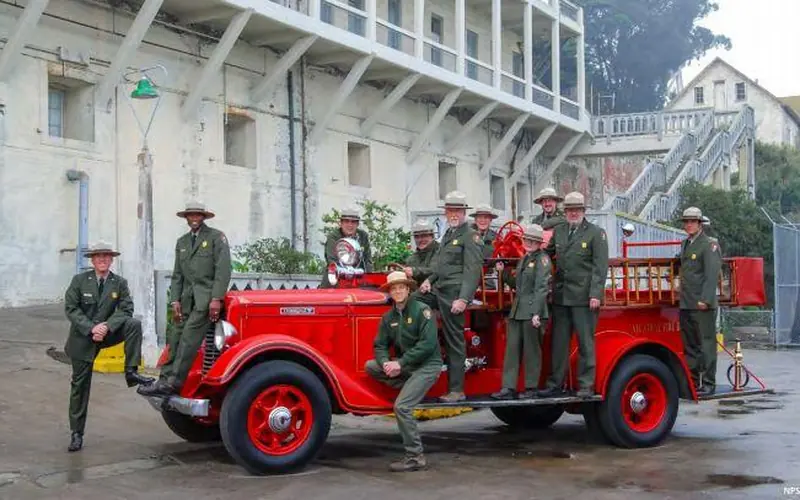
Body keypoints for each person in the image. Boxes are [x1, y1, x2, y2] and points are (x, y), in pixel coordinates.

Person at [63, 242, 154, 452]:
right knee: (80, 385)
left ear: (111, 260)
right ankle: (76, 433)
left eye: (106, 256)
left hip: (108, 333)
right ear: (92, 260)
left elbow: (127, 308)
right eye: (98, 257)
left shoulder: (119, 282)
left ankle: (131, 371)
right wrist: (91, 328)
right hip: (83, 337)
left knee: (133, 324)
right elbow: (71, 308)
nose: (102, 260)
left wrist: (107, 326)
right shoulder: (79, 281)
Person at [139, 202, 231, 397]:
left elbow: (223, 270)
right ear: (186, 218)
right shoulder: (182, 242)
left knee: (189, 339)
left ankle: (174, 383)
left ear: (204, 217)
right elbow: (178, 275)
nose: (194, 218)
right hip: (186, 299)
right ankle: (163, 379)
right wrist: (175, 300)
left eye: (198, 215)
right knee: (175, 337)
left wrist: (216, 298)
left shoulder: (216, 237)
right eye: (191, 216)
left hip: (205, 299)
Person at [365, 271, 442, 472]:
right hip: (407, 366)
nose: (398, 291)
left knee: (402, 407)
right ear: (390, 292)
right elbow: (380, 345)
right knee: (370, 366)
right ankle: (409, 387)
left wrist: (400, 363)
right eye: (394, 288)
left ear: (408, 289)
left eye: (401, 287)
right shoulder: (388, 317)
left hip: (427, 366)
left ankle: (415, 457)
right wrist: (385, 364)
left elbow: (428, 345)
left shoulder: (422, 310)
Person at [415, 191, 483, 403]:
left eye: (457, 210)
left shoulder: (470, 236)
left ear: (464, 212)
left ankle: (456, 389)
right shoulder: (449, 234)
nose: (453, 214)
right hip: (440, 290)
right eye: (450, 210)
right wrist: (429, 280)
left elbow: (473, 270)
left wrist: (463, 299)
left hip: (454, 294)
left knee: (455, 340)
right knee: (413, 301)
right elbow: (441, 266)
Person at [539, 192, 609, 398]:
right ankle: (555, 383)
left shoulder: (596, 233)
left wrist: (595, 294)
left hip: (584, 297)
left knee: (585, 342)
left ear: (583, 211)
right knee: (559, 343)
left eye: (576, 210)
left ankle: (586, 385)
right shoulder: (559, 231)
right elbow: (547, 255)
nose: (573, 213)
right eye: (569, 210)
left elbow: (600, 267)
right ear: (565, 212)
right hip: (561, 297)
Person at [491, 224, 551, 400]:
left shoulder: (542, 260)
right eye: (527, 240)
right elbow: (517, 285)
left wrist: (536, 313)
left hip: (533, 310)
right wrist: (503, 273)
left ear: (539, 243)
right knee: (512, 350)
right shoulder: (525, 258)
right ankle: (508, 388)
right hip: (518, 311)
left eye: (533, 241)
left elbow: (541, 288)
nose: (529, 243)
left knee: (532, 351)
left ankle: (531, 388)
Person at [679, 207, 723, 396]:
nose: (689, 224)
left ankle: (708, 382)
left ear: (700, 224)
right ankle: (694, 380)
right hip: (687, 301)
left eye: (693, 221)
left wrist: (705, 299)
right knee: (690, 344)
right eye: (686, 221)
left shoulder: (709, 245)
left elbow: (711, 275)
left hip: (701, 303)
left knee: (706, 343)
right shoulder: (685, 244)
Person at [320, 207, 373, 288]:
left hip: (358, 281)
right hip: (336, 281)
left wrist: (368, 280)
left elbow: (367, 260)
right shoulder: (333, 237)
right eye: (346, 221)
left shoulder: (363, 236)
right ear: (341, 223)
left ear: (358, 224)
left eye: (353, 222)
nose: (350, 225)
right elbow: (332, 261)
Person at [403, 220, 440, 286]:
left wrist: (414, 271)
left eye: (424, 236)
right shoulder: (411, 259)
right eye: (417, 237)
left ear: (432, 236)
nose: (420, 240)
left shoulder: (441, 250)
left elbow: (436, 270)